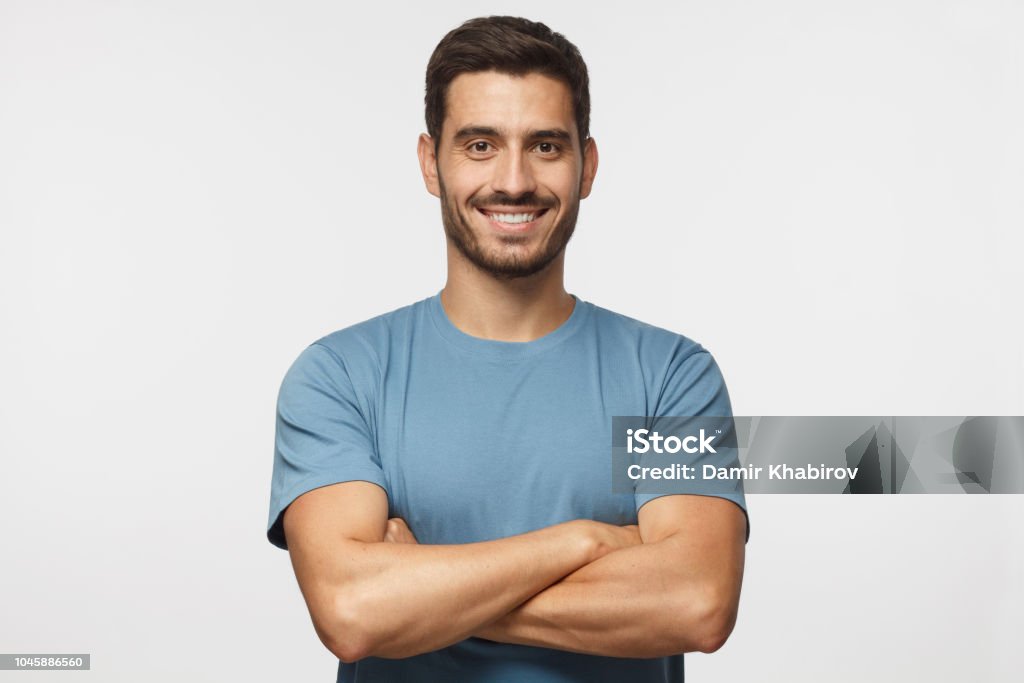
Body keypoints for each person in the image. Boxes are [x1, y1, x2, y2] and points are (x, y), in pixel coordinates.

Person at [266, 15, 748, 682]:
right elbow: (352, 610)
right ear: (431, 163)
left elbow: (697, 602)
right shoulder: (340, 377)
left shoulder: (670, 376)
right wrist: (584, 540)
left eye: (546, 146)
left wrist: (425, 585)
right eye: (481, 144)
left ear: (588, 166)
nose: (515, 181)